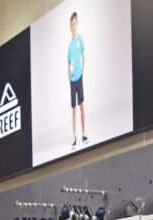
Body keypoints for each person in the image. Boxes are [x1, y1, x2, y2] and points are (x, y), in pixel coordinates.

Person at [67, 11, 87, 149]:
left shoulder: (80, 39)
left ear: (77, 24)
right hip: (72, 81)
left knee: (81, 106)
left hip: (79, 78)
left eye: (74, 23)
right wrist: (69, 78)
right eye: (71, 24)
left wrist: (82, 72)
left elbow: (83, 56)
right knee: (73, 109)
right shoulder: (69, 46)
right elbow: (68, 63)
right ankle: (74, 137)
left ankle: (84, 133)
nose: (73, 26)